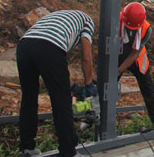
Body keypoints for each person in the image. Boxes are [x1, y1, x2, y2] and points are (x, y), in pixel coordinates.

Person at [17, 10, 96, 157]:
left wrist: (72, 87)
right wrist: (89, 84)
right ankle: (68, 152)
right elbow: (86, 57)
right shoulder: (88, 22)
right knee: (61, 101)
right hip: (49, 46)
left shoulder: (58, 19)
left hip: (24, 45)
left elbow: (60, 64)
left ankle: (26, 148)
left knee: (28, 98)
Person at [118, 2, 154, 129]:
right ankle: (99, 117)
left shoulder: (146, 29)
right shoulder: (116, 22)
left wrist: (119, 70)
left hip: (137, 59)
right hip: (117, 55)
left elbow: (135, 53)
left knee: (148, 88)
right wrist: (114, 70)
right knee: (106, 86)